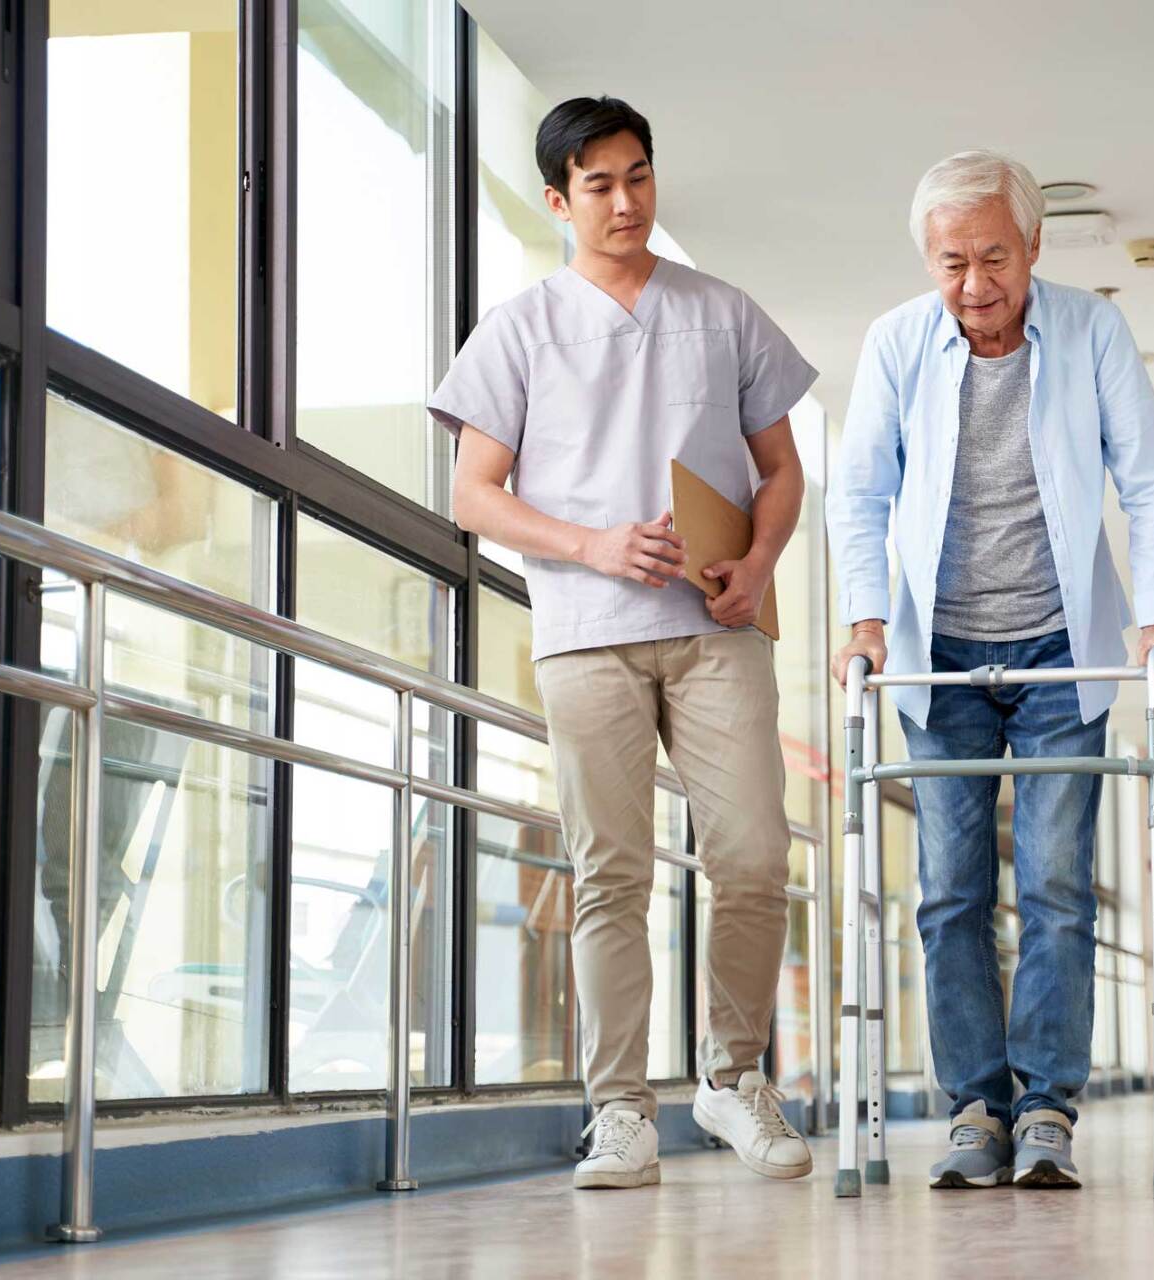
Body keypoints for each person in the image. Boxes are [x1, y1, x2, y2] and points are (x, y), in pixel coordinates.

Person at [430, 96, 817, 1189]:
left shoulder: (723, 312)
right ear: (557, 202)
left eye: (638, 175)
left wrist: (762, 560)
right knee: (613, 874)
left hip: (714, 626)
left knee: (750, 853)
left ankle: (734, 1078)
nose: (624, 199)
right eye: (597, 184)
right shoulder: (519, 327)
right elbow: (473, 492)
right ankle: (619, 1109)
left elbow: (780, 469)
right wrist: (589, 545)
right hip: (586, 633)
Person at [826, 149, 1154, 1190]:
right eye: (953, 262)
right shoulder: (896, 344)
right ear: (927, 261)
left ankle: (1046, 1107)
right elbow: (857, 494)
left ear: (1034, 245)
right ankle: (975, 1106)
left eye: (995, 255)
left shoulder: (1091, 332)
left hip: (1057, 652)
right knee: (947, 891)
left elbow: (1151, 479)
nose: (976, 283)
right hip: (934, 656)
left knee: (1057, 882)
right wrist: (863, 622)